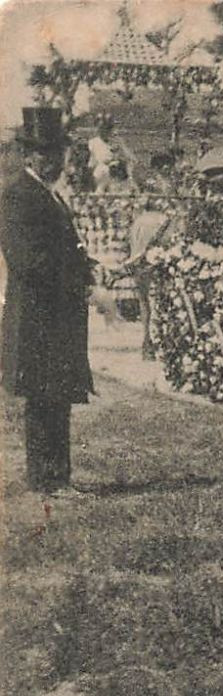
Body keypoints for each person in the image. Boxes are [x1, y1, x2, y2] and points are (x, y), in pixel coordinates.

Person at [1, 107, 95, 497]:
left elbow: (60, 250)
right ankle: (47, 480)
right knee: (44, 398)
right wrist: (74, 276)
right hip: (38, 314)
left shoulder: (47, 194)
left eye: (57, 151)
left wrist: (85, 264)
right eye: (45, 152)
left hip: (55, 314)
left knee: (57, 397)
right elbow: (27, 260)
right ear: (28, 155)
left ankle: (58, 478)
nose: (54, 159)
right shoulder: (18, 195)